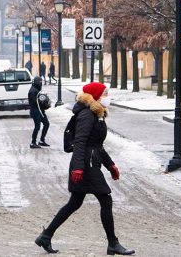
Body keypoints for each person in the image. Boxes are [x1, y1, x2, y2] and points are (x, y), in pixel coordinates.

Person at [35, 82, 134, 255]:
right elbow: (80, 142)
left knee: (74, 202)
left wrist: (110, 165)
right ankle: (112, 243)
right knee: (105, 199)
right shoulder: (87, 115)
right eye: (104, 93)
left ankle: (46, 235)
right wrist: (78, 168)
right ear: (95, 96)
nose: (107, 97)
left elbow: (97, 145)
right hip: (85, 165)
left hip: (89, 162)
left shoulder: (96, 114)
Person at [28, 76, 50, 149]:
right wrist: (44, 103)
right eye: (40, 82)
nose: (41, 83)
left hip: (40, 110)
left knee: (46, 124)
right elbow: (35, 103)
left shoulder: (37, 89)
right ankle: (33, 143)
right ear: (37, 82)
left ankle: (41, 140)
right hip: (35, 111)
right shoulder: (33, 91)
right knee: (37, 127)